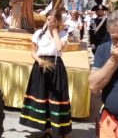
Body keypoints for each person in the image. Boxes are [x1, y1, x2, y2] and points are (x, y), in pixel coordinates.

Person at [20, 9, 72, 138]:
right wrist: (39, 60)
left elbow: (60, 48)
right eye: (48, 19)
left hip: (56, 66)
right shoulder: (38, 33)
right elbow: (32, 51)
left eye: (53, 20)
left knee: (58, 98)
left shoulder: (63, 34)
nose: (49, 22)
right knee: (43, 96)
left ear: (58, 21)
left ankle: (63, 130)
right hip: (41, 65)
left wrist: (55, 32)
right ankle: (47, 129)